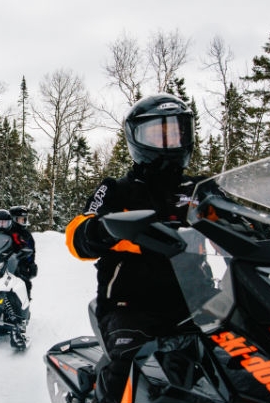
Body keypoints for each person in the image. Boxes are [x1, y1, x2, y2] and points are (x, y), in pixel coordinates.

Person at [64, 93, 203, 403]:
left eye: (176, 132)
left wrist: (263, 229)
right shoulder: (117, 190)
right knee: (127, 363)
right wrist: (98, 229)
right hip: (132, 305)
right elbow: (77, 233)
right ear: (137, 138)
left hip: (198, 300)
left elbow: (241, 220)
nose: (168, 142)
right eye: (158, 133)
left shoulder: (199, 191)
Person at [8, 206, 37, 296]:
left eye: (24, 219)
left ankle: (23, 307)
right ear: (13, 219)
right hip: (3, 264)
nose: (23, 221)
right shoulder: (6, 232)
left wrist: (31, 263)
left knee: (24, 283)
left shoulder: (26, 235)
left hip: (20, 265)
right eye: (20, 219)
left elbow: (31, 250)